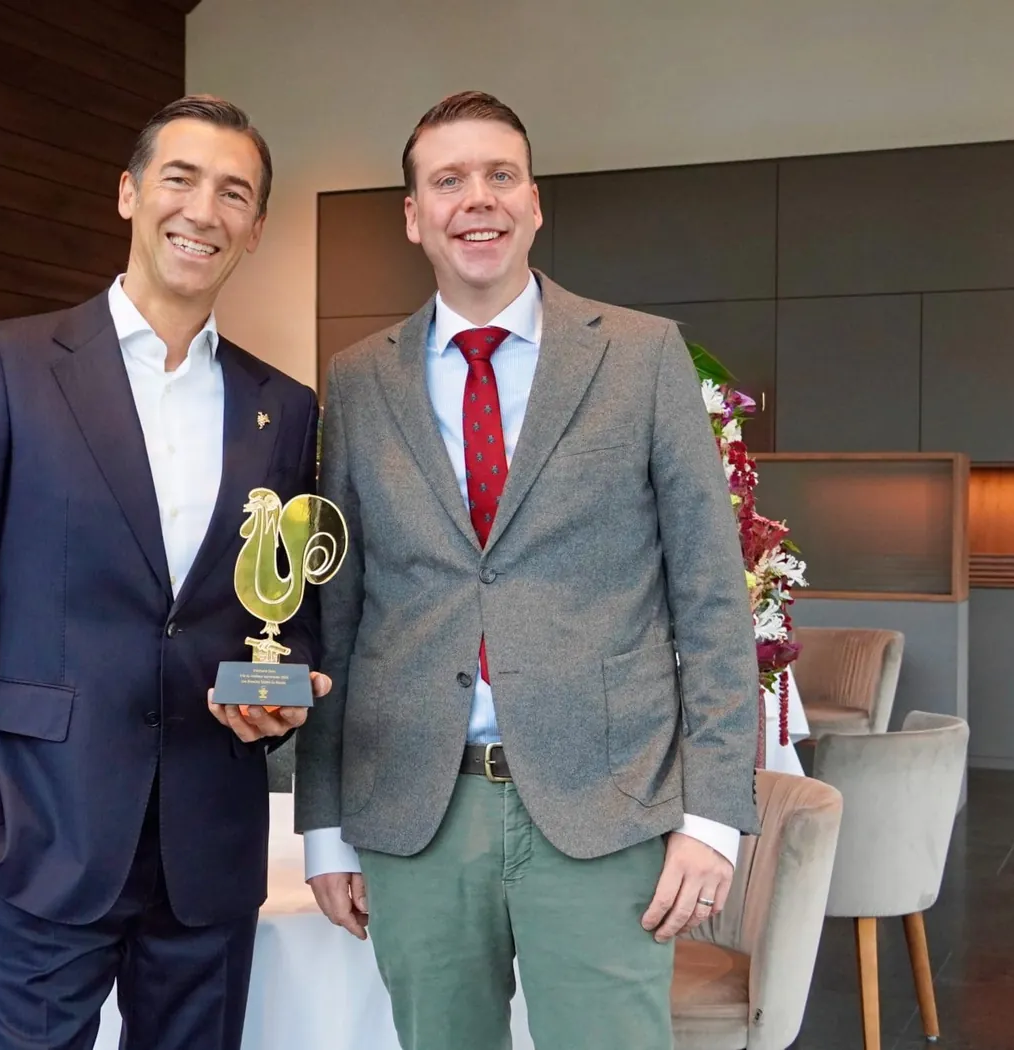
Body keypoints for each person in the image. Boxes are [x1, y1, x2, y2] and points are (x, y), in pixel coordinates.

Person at [294, 91, 761, 1049]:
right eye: (449, 179)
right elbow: (336, 617)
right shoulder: (355, 380)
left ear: (536, 202)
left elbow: (713, 601)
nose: (479, 198)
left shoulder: (640, 355)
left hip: (604, 810)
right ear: (414, 215)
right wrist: (326, 824)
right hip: (416, 812)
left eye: (500, 175)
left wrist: (713, 817)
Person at [0, 95, 328, 1050]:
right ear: (129, 194)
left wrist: (286, 684)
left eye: (233, 194)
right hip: (40, 830)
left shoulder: (282, 408)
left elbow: (283, 604)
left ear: (254, 229)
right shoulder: (6, 365)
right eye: (180, 179)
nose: (202, 211)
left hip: (209, 845)